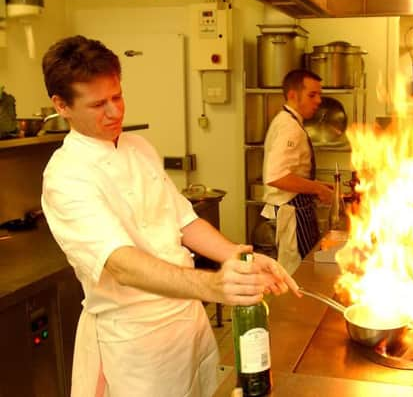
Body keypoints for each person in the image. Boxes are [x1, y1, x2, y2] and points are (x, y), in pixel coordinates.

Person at [40, 35, 300, 397]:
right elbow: (122, 265)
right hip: (138, 346)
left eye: (117, 96)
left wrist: (240, 257)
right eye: (99, 104)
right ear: (61, 105)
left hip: (188, 326)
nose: (115, 112)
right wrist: (213, 286)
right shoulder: (66, 177)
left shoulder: (139, 147)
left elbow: (184, 221)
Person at [261, 69, 333, 274]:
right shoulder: (289, 127)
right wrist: (317, 189)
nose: (318, 101)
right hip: (291, 214)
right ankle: (292, 308)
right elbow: (276, 176)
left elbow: (290, 170)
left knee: (303, 270)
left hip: (295, 209)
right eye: (312, 95)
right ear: (293, 94)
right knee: (298, 273)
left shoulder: (287, 121)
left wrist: (317, 184)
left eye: (319, 94)